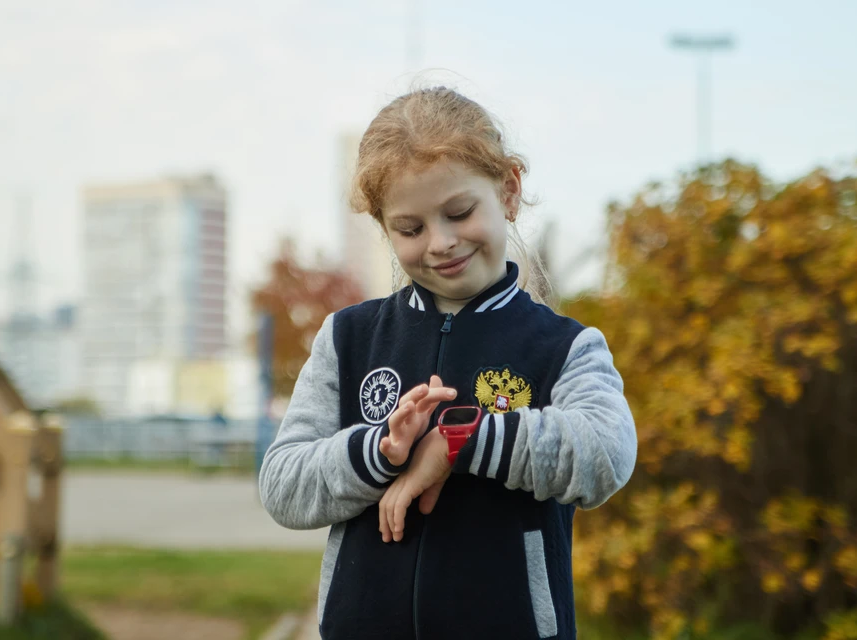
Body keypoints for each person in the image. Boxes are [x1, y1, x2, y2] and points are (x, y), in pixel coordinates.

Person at [259, 86, 637, 640]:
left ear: (508, 190)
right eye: (410, 229)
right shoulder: (348, 337)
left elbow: (607, 453)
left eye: (459, 212)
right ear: (385, 229)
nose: (440, 242)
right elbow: (283, 486)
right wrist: (378, 450)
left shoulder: (566, 347)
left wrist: (461, 441)